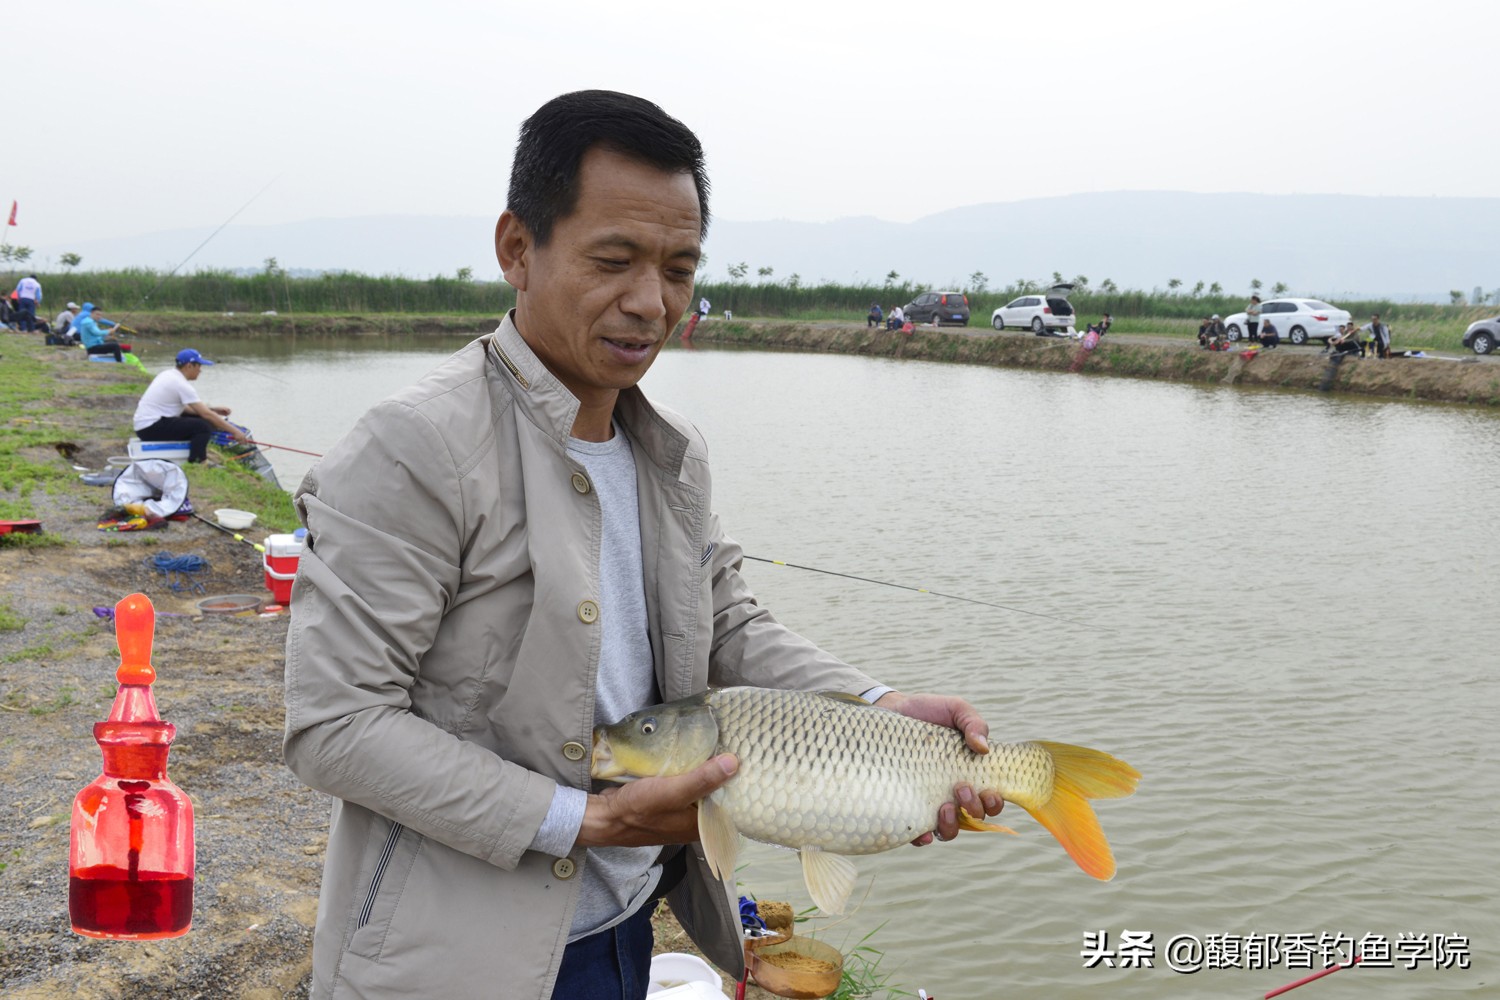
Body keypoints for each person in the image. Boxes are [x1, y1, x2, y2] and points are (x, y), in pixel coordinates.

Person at [281, 90, 1004, 1000]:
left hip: (630, 919)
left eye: (678, 268)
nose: (650, 302)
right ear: (517, 249)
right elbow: (335, 726)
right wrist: (588, 820)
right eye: (614, 261)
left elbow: (727, 623)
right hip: (458, 955)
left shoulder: (672, 453)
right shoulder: (416, 447)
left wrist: (879, 704)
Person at [132, 348, 250, 462]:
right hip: (150, 428)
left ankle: (196, 450)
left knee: (202, 419)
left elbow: (187, 409)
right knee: (202, 427)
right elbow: (206, 414)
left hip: (146, 426)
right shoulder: (180, 384)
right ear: (189, 366)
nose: (200, 370)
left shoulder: (168, 374)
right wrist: (235, 432)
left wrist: (213, 409)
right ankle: (198, 461)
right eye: (199, 366)